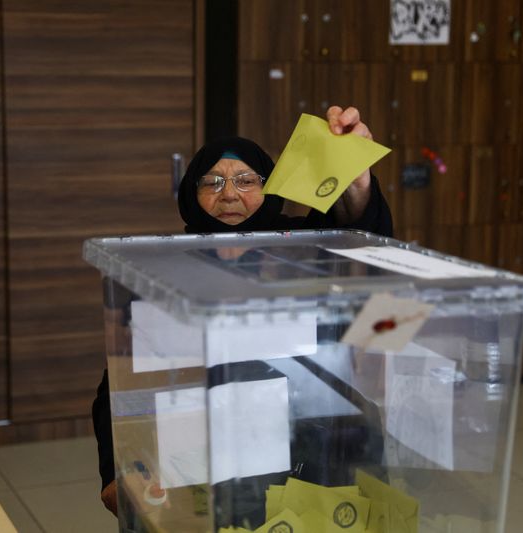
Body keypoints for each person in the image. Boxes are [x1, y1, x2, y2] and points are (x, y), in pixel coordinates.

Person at [92, 106, 393, 516]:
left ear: (270, 187)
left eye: (247, 180)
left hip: (316, 443)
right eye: (213, 181)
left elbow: (365, 245)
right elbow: (125, 378)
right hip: (209, 455)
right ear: (189, 193)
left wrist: (356, 183)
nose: (230, 194)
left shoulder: (303, 247)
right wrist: (115, 470)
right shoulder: (161, 270)